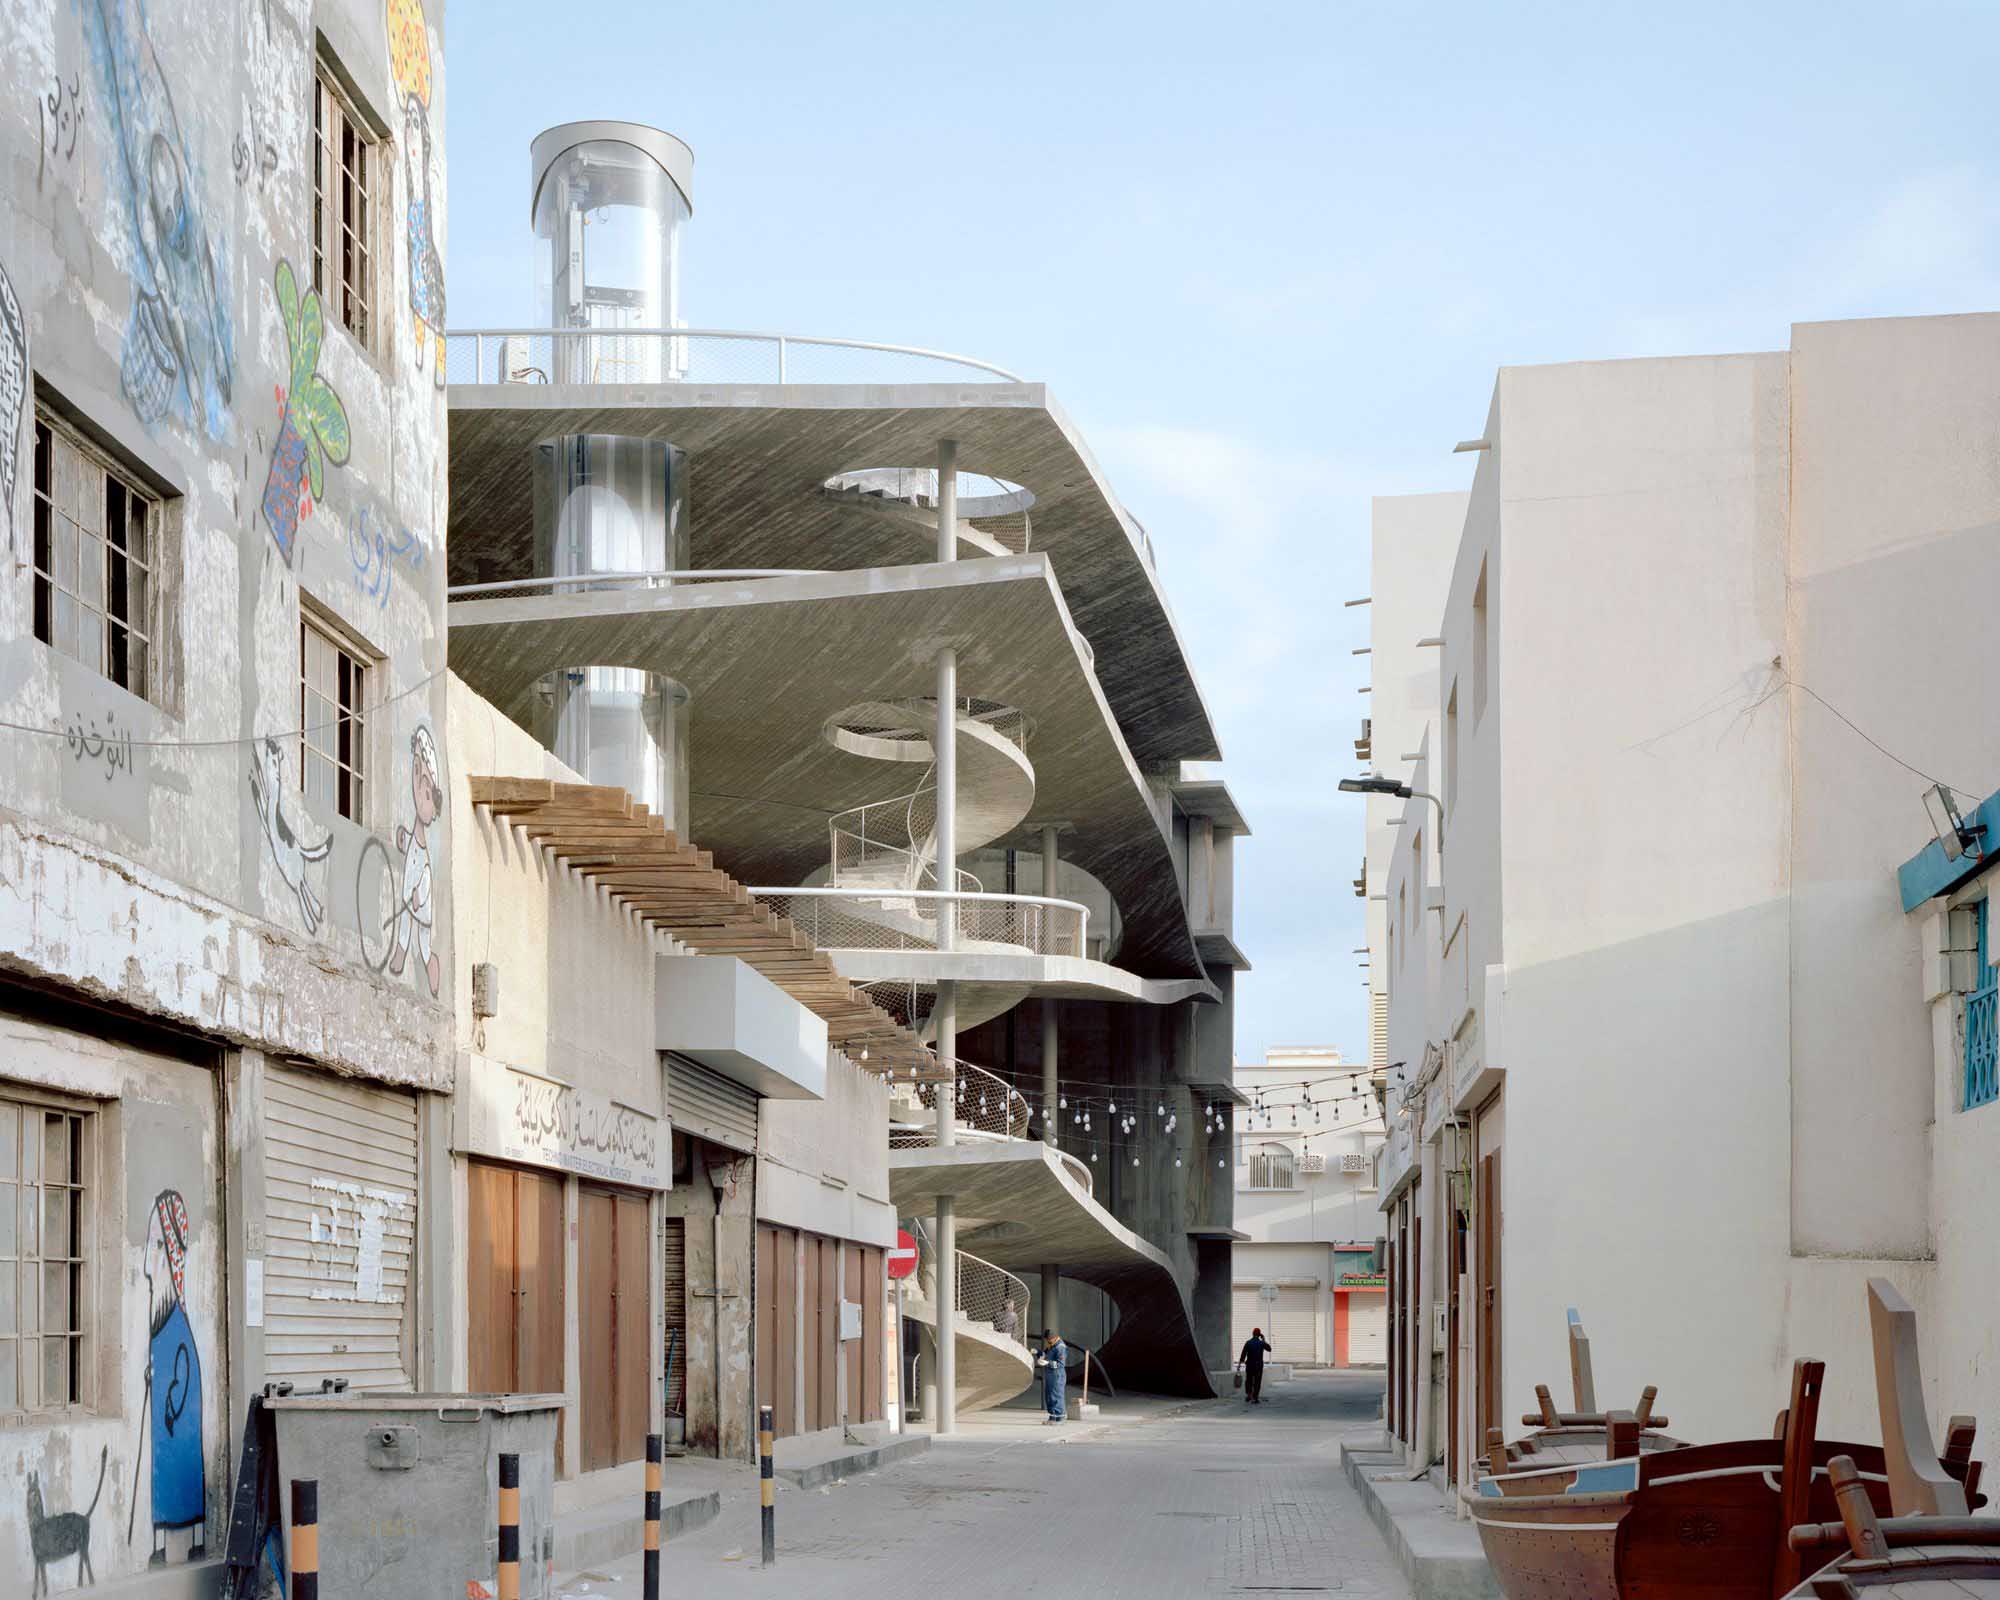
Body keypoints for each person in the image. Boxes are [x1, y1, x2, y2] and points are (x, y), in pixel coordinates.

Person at [1035, 1329, 1068, 1424]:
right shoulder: (1052, 1345)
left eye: (1049, 1340)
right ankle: (1052, 1417)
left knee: (1056, 1395)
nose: (1048, 1341)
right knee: (1049, 1395)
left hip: (1057, 1375)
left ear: (1055, 1338)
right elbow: (1046, 1354)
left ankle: (1060, 1417)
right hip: (1050, 1374)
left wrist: (1047, 1363)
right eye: (1047, 1340)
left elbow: (1061, 1364)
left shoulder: (1060, 1347)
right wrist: (1038, 1352)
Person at [1238, 1327, 1273, 1405]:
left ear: (1253, 1334)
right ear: (1259, 1334)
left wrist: (1239, 1364)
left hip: (1250, 1365)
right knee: (1257, 1381)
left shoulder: (1248, 1342)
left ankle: (1249, 1395)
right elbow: (1269, 1349)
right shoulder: (1261, 1343)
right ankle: (1255, 1397)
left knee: (1249, 1380)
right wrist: (1263, 1340)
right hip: (1258, 1365)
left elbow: (1243, 1354)